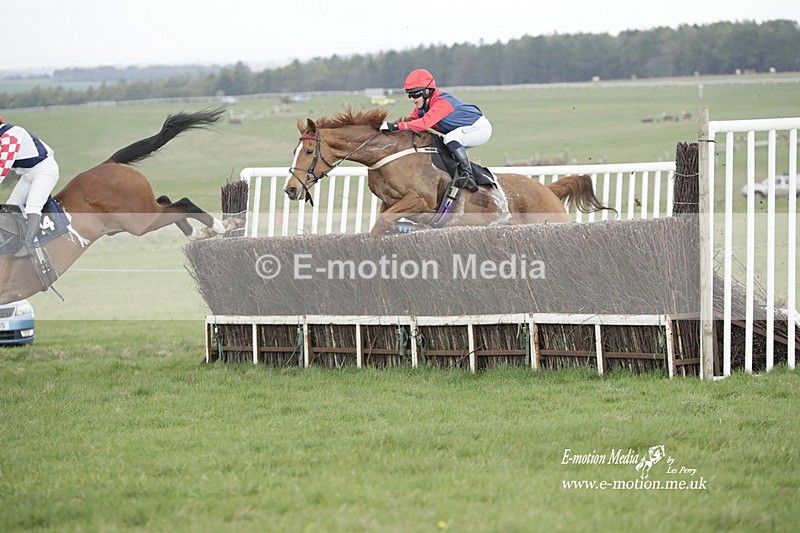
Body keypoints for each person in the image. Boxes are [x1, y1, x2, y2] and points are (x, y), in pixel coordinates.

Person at [380, 68, 492, 192]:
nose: (412, 99)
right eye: (410, 95)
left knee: (450, 139)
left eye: (415, 94)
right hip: (463, 130)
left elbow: (424, 124)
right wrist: (390, 128)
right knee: (441, 144)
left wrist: (396, 126)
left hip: (479, 128)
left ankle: (468, 176)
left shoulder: (442, 102)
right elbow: (410, 120)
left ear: (427, 91)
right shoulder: (423, 106)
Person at [0, 116, 60, 257]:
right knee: (11, 206)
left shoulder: (10, 137)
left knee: (32, 207)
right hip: (28, 174)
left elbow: (1, 170)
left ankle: (29, 246)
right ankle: (15, 242)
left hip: (45, 170)